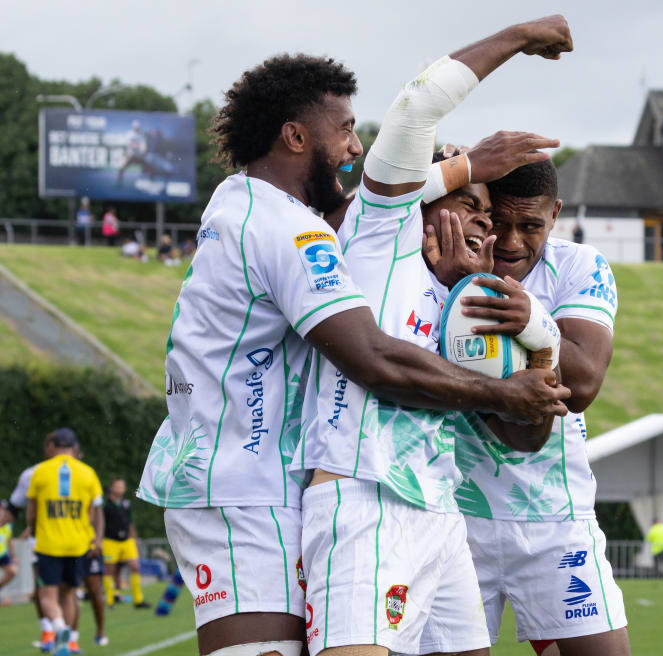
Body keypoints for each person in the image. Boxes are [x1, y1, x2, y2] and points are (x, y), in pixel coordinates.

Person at [137, 31, 569, 656]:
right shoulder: (288, 227)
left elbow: (361, 211)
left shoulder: (266, 212)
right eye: (343, 129)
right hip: (258, 490)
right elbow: (371, 353)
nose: (355, 145)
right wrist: (521, 38)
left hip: (386, 496)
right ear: (296, 136)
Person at [302, 17, 573, 656]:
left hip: (437, 504)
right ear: (424, 202)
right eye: (469, 202)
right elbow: (415, 105)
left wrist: (538, 361)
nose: (485, 222)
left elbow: (524, 432)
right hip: (362, 496)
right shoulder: (375, 237)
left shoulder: (473, 302)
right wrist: (522, 34)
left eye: (488, 211)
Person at [423, 159, 630, 656]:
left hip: (552, 515)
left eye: (531, 225)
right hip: (452, 517)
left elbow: (582, 384)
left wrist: (534, 320)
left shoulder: (579, 265)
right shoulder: (430, 266)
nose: (512, 242)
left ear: (555, 214)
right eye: (500, 223)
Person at [26, 428, 104, 656]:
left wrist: (34, 530)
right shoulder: (88, 473)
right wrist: (97, 539)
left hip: (49, 543)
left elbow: (31, 512)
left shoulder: (40, 472)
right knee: (69, 594)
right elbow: (97, 510)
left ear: (53, 446)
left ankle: (59, 627)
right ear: (75, 447)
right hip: (77, 544)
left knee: (46, 596)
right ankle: (66, 642)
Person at [10, 433, 58, 648]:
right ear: (47, 448)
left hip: (73, 540)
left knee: (64, 591)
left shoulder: (81, 473)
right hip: (41, 542)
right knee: (42, 589)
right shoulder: (32, 474)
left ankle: (66, 635)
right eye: (56, 445)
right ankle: (49, 631)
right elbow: (14, 509)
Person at [102, 479, 149, 609]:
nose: (120, 489)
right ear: (111, 488)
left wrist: (134, 540)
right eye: (117, 486)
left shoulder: (127, 504)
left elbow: (131, 523)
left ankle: (138, 600)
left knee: (135, 566)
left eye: (122, 487)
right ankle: (110, 600)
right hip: (110, 541)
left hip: (127, 541)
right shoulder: (105, 504)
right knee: (110, 570)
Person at [0, 499, 16, 597]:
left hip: (2, 554)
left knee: (12, 572)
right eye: (2, 509)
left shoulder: (8, 525)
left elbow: (9, 540)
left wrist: (13, 556)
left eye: (5, 509)